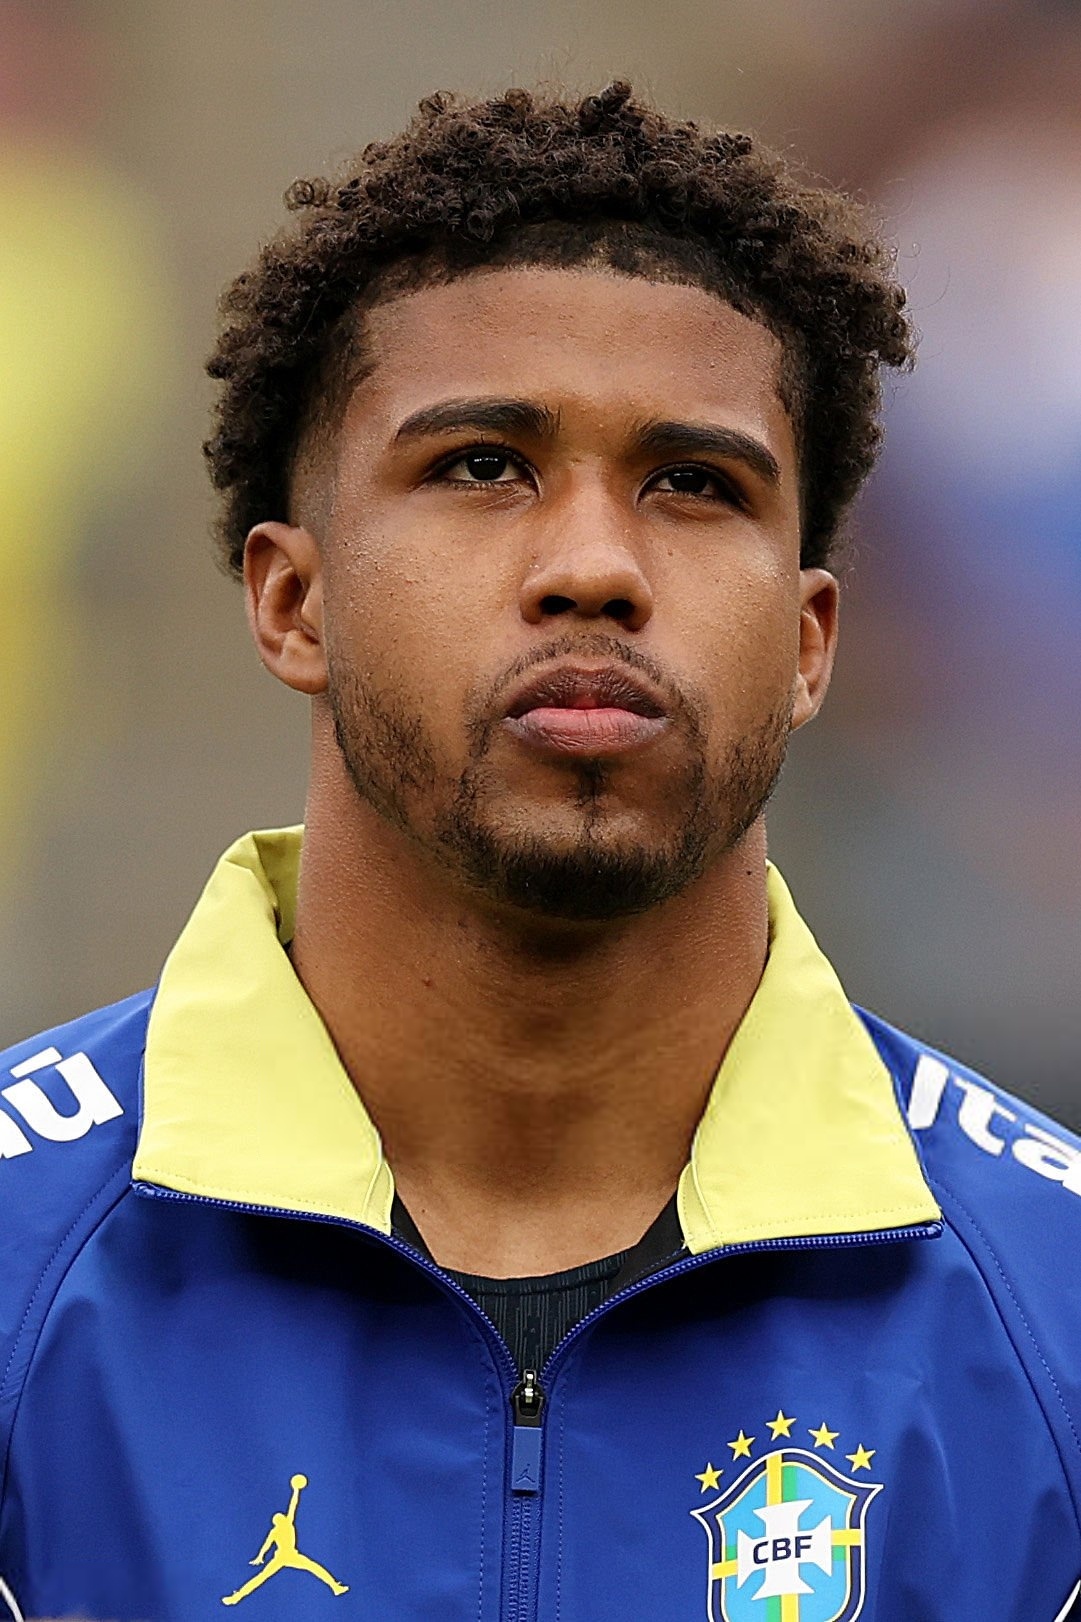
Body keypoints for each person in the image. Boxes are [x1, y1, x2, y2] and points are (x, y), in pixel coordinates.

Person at [1, 81, 1079, 1622]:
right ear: (291, 602)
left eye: (693, 484)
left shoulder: (1052, 1309)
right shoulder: (22, 1259)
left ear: (809, 644)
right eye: (481, 465)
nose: (592, 566)